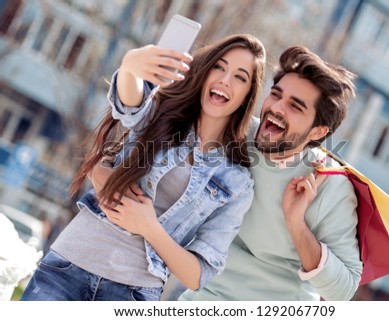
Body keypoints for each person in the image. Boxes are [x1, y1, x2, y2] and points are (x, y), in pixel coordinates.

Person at [21, 33, 266, 301]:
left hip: (133, 293)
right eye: (219, 66)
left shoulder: (237, 182)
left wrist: (149, 227)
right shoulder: (160, 115)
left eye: (240, 77)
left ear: (247, 95)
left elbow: (196, 275)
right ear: (206, 72)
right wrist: (130, 65)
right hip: (67, 268)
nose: (224, 80)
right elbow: (129, 103)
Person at [179, 46, 363, 301]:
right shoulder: (235, 133)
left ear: (318, 132)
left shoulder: (329, 184)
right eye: (276, 95)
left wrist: (297, 225)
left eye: (295, 107)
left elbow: (343, 290)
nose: (277, 108)